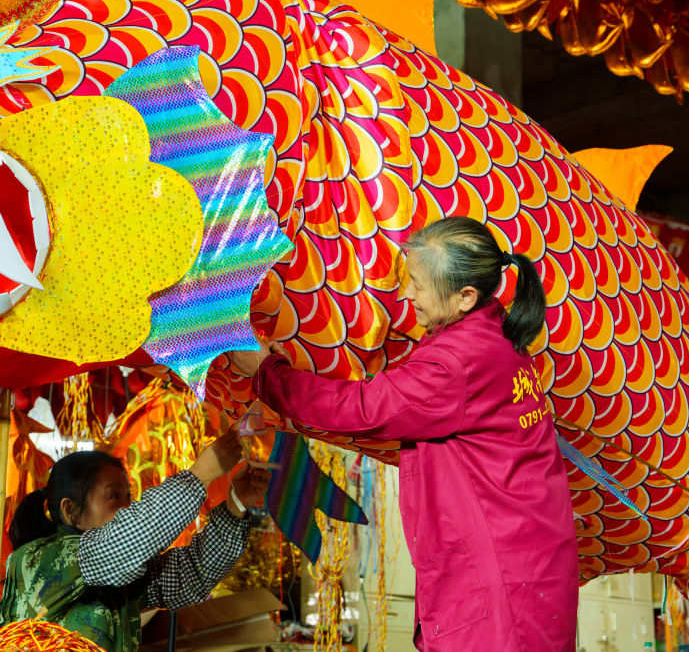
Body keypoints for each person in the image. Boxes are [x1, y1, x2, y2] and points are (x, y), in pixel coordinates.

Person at [228, 216, 578, 651]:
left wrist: (267, 372)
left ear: (465, 297)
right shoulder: (498, 337)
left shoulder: (455, 363)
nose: (406, 294)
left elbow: (359, 408)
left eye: (418, 284)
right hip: (530, 568)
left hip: (497, 582)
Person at [0, 430, 271, 652]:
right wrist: (200, 474)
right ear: (71, 510)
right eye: (113, 497)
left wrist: (236, 505)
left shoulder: (116, 575)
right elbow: (128, 539)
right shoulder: (41, 561)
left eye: (128, 497)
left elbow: (192, 574)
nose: (127, 509)